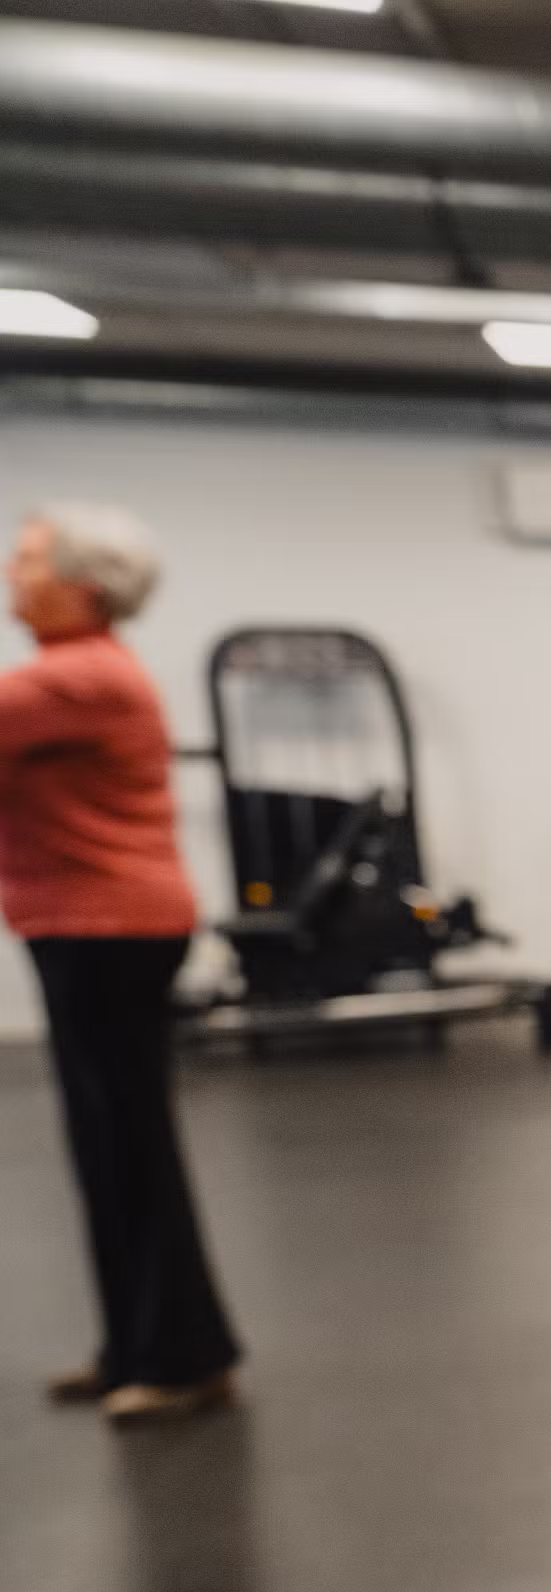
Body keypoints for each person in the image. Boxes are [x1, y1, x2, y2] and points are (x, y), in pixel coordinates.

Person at [2, 502, 242, 1423]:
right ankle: (136, 1346)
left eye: (27, 561)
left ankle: (184, 1355)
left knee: (131, 1145)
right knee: (105, 1147)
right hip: (81, 927)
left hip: (111, 931)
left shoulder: (81, 679)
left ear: (84, 589)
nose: (9, 574)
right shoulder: (67, 678)